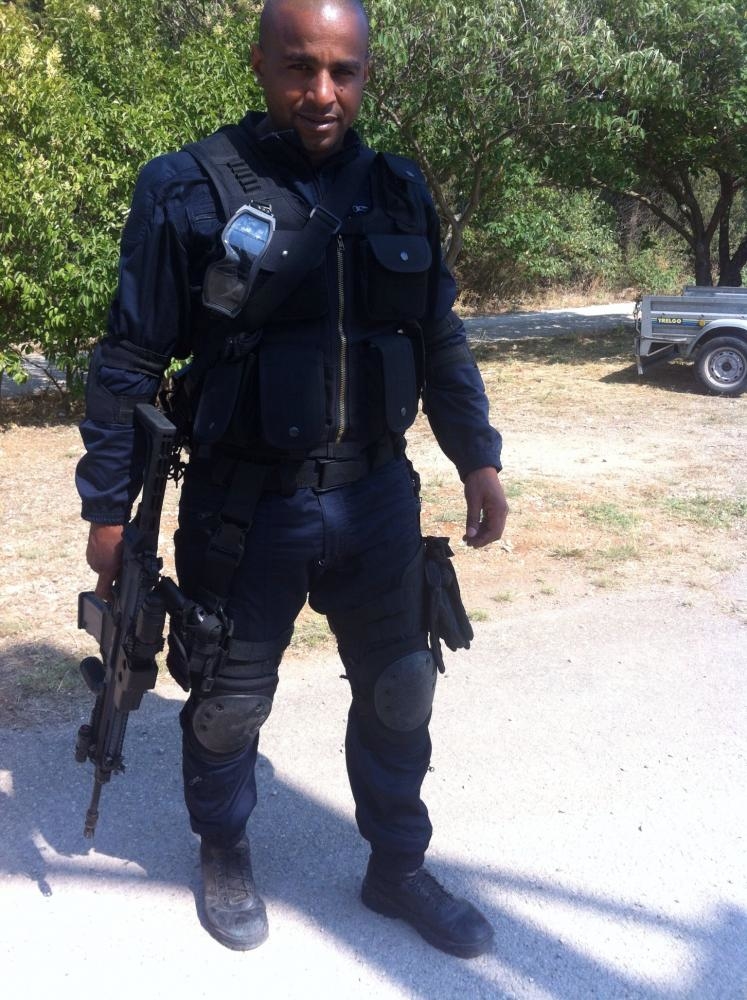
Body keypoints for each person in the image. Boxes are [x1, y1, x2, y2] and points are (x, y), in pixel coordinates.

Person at [76, 0, 508, 958]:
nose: (321, 93)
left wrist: (476, 457)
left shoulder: (397, 188)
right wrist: (107, 510)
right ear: (260, 63)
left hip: (377, 497)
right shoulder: (184, 188)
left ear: (366, 72)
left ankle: (397, 867)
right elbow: (129, 361)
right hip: (244, 508)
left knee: (401, 688)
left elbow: (437, 334)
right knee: (227, 703)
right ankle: (224, 849)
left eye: (342, 71)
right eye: (298, 67)